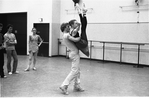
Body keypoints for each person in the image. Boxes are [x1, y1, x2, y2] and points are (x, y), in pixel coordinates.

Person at [59, 23, 84, 95]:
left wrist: (77, 27)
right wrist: (81, 37)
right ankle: (64, 85)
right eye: (67, 26)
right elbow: (76, 40)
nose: (69, 27)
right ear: (64, 28)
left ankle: (77, 86)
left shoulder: (66, 34)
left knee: (77, 71)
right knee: (74, 71)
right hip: (74, 54)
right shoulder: (66, 35)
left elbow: (74, 33)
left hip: (74, 53)